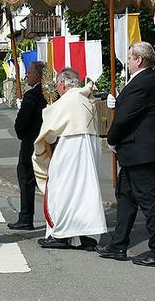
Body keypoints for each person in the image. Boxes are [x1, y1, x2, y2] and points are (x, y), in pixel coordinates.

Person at [100, 41, 155, 267]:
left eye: (130, 58)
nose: (128, 62)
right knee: (125, 198)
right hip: (136, 152)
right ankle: (118, 244)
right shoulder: (149, 79)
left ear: (139, 60)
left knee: (150, 203)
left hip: (142, 153)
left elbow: (125, 117)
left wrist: (112, 138)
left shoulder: (143, 82)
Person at [31, 68, 106, 249]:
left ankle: (61, 235)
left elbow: (48, 134)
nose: (57, 89)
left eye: (57, 85)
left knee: (61, 190)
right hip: (89, 149)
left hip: (70, 150)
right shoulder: (88, 100)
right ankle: (85, 236)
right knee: (85, 193)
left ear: (63, 84)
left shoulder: (67, 100)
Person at [8, 60, 47, 230]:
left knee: (26, 183)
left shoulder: (32, 96)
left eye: (29, 72)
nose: (26, 75)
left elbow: (21, 126)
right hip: (50, 146)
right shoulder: (52, 94)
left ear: (37, 75)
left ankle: (26, 217)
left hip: (31, 146)